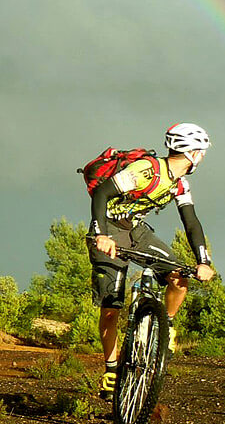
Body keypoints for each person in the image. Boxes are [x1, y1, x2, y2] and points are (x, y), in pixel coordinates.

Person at [87, 123, 216, 399]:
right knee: (111, 307)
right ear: (191, 152)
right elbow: (101, 193)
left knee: (180, 277)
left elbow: (191, 222)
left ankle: (165, 324)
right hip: (109, 229)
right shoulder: (146, 170)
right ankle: (111, 370)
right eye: (202, 151)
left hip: (137, 230)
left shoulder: (180, 183)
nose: (203, 157)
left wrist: (203, 261)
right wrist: (101, 234)